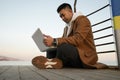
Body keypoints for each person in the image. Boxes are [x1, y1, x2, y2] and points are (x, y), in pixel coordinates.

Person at [32, 3, 108, 69]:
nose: (62, 18)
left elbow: (78, 39)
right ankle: (51, 63)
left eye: (63, 15)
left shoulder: (83, 20)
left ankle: (54, 63)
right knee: (50, 50)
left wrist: (55, 40)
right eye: (60, 16)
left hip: (85, 56)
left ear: (70, 11)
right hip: (75, 54)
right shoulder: (66, 28)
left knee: (63, 47)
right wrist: (51, 43)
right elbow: (63, 40)